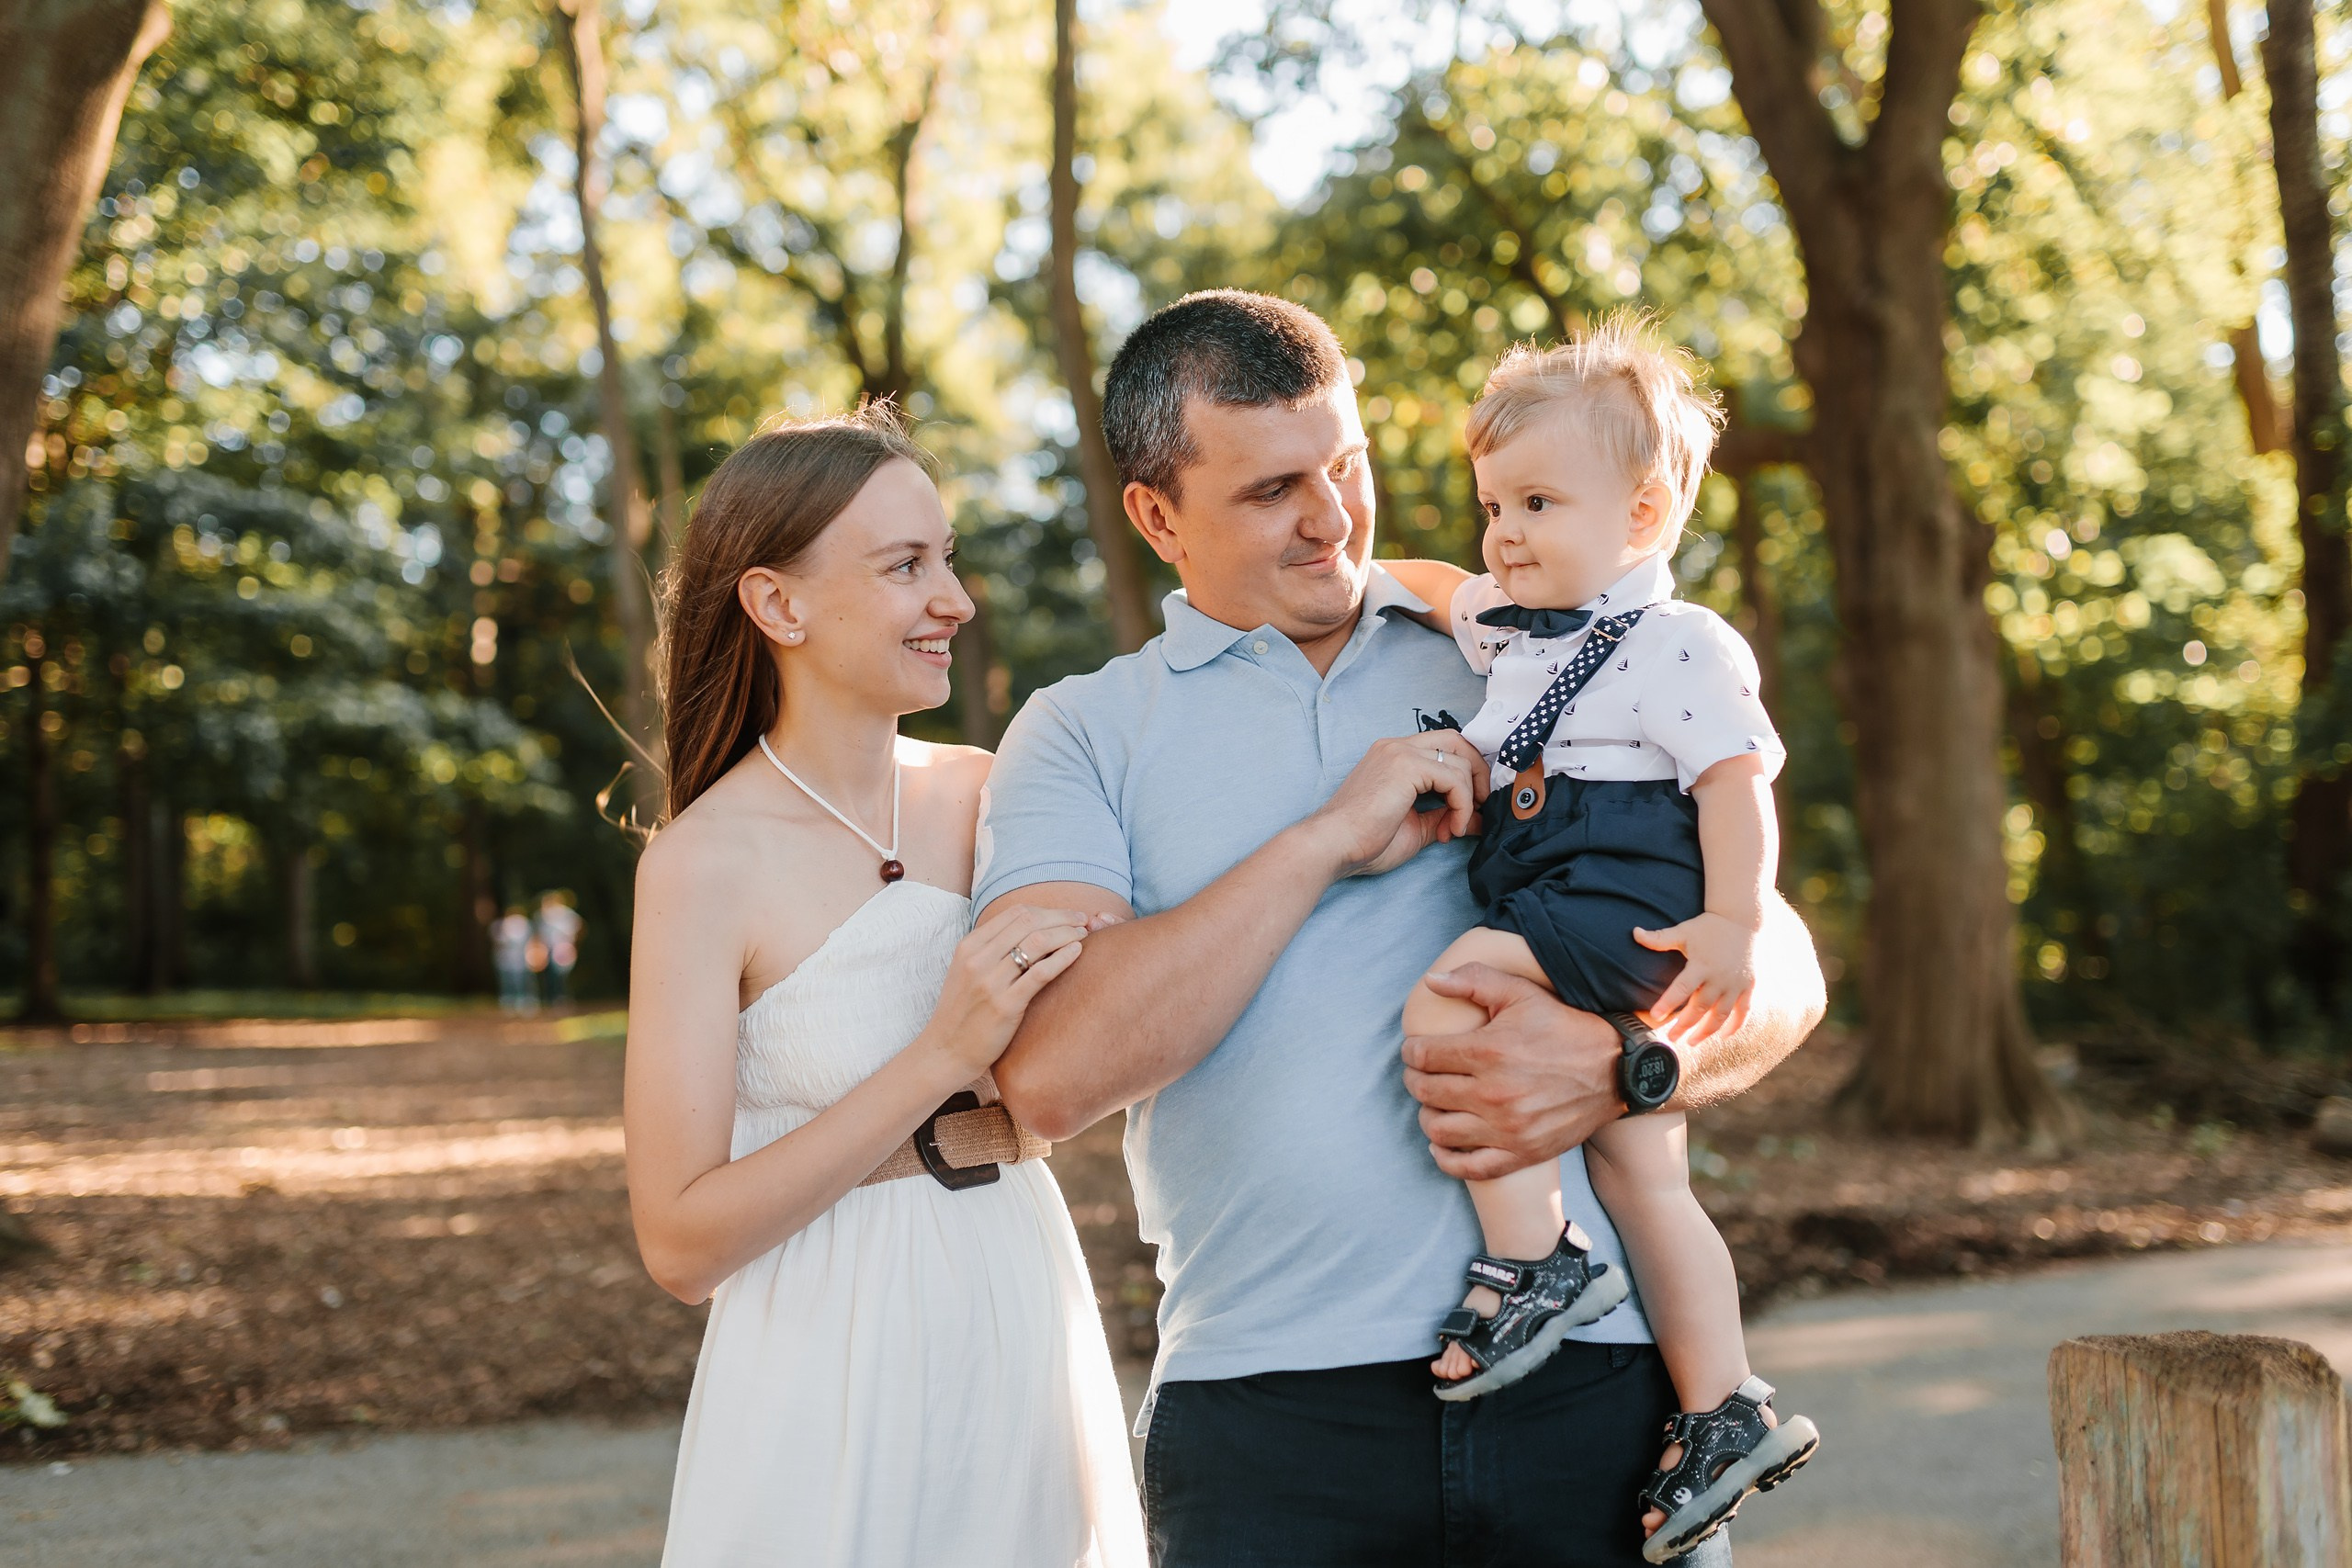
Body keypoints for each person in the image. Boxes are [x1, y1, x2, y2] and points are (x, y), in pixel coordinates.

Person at [980, 290, 1826, 1567]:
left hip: (1597, 1382)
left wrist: (1628, 1065)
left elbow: (1784, 969)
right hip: (1271, 1412)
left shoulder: (1525, 645)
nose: (1333, 517)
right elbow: (1045, 1075)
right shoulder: (1082, 731)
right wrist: (1321, 837)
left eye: (1349, 464)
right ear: (1159, 517)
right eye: (1272, 490)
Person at [624, 405, 1144, 1568]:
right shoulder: (703, 865)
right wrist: (938, 1060)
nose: (954, 599)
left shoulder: (995, 790)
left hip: (1019, 1305)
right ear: (779, 605)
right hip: (828, 1350)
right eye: (907, 566)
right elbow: (679, 1240)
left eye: (946, 558)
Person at [1381, 321, 1816, 1563]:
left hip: (1626, 895)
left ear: (1642, 511)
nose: (1503, 532)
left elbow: (1737, 778)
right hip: (1574, 894)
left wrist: (1734, 920)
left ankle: (1533, 1257)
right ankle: (1722, 1402)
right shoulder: (1520, 627)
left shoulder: (1676, 639)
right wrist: (1367, 572)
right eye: (1491, 504)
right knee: (1648, 1175)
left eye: (1535, 501)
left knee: (1451, 991)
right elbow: (1434, 583)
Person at [536, 891, 582, 1005]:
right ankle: (555, 998)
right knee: (552, 975)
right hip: (550, 949)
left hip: (564, 948)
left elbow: (578, 928)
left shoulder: (566, 914)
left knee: (562, 974)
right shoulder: (543, 916)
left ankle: (563, 997)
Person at [491, 907, 536, 1014]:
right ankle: (508, 1001)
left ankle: (525, 1001)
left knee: (523, 980)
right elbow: (498, 942)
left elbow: (530, 942)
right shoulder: (500, 925)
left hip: (521, 960)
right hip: (505, 959)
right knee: (507, 980)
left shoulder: (525, 925)